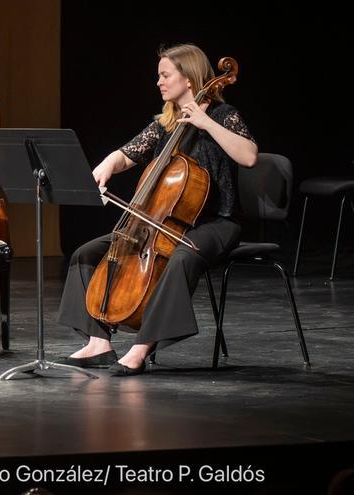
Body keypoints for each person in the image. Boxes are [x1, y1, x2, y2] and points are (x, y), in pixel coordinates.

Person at [57, 43, 258, 375]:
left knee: (182, 257)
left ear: (189, 78)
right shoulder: (166, 123)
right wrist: (107, 165)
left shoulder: (223, 116)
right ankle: (98, 341)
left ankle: (141, 346)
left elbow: (249, 156)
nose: (159, 82)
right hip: (160, 223)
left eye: (165, 75)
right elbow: (129, 152)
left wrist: (206, 123)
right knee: (85, 254)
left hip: (217, 222)